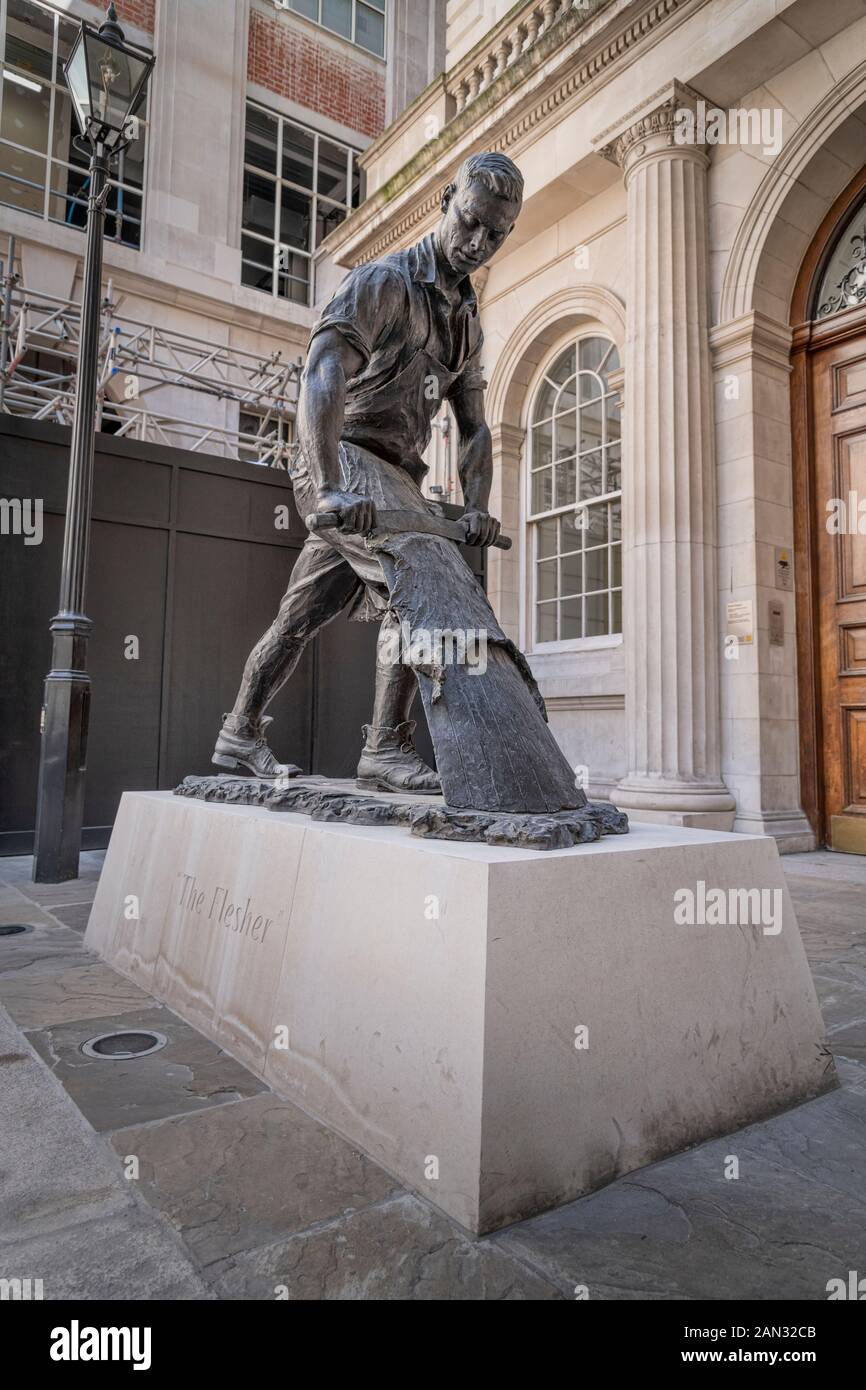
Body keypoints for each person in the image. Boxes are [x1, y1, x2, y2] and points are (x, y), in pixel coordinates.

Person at [213, 151, 522, 792]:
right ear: (445, 202)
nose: (476, 243)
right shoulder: (384, 281)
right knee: (416, 586)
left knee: (299, 616)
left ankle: (237, 733)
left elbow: (476, 428)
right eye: (469, 222)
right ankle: (385, 745)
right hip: (343, 456)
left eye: (495, 235)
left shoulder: (466, 322)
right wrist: (326, 483)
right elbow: (323, 368)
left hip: (397, 480)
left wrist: (476, 507)